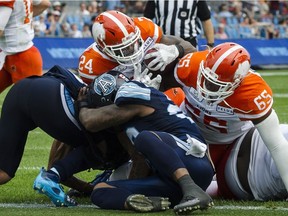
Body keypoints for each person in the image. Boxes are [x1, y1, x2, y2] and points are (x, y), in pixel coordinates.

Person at [47, 9, 196, 192]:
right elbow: (107, 108)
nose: (131, 51)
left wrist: (175, 50)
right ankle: (130, 181)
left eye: (133, 44)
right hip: (122, 107)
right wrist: (135, 90)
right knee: (124, 132)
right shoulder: (92, 64)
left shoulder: (145, 28)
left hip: (159, 92)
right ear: (103, 49)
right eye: (122, 49)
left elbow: (191, 51)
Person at [151, 42, 288, 201]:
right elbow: (163, 81)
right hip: (185, 132)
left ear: (237, 82)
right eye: (206, 78)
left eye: (216, 85)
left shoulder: (252, 92)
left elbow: (277, 145)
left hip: (231, 142)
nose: (206, 86)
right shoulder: (193, 64)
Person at [75, 70, 214, 214]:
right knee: (100, 191)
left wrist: (82, 104)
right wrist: (132, 187)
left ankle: (191, 188)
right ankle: (150, 202)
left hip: (193, 160)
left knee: (145, 138)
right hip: (170, 179)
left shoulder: (133, 96)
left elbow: (89, 121)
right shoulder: (130, 124)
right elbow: (139, 160)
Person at [0, 65, 130, 207]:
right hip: (52, 94)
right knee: (106, 150)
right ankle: (50, 177)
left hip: (22, 88)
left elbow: (60, 155)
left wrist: (87, 188)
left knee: (4, 173)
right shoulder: (117, 108)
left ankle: (51, 177)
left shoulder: (96, 85)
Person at [0, 0, 50, 93]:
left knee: (30, 103)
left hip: (22, 57)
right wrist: (20, 18)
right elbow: (45, 4)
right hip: (10, 54)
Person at [143, 0, 215, 49]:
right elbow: (146, 20)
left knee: (189, 70)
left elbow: (206, 20)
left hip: (188, 42)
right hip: (163, 43)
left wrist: (210, 44)